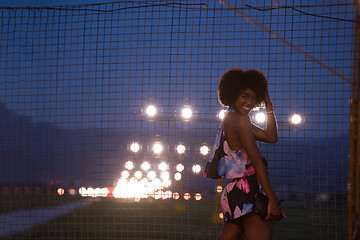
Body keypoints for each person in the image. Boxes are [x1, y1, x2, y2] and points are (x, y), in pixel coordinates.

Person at [215, 68, 285, 240]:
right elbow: (256, 161)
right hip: (249, 194)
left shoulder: (231, 119)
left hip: (233, 194)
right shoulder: (240, 120)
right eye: (244, 96)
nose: (249, 102)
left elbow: (271, 137)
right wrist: (272, 200)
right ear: (233, 94)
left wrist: (267, 102)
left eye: (254, 98)